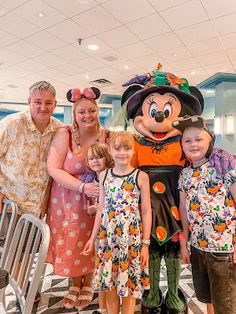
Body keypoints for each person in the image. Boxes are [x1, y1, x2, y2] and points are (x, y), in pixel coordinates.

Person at [46, 87, 109, 311]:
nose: (87, 115)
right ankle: (74, 283)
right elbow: (53, 168)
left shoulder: (106, 135)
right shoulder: (65, 134)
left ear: (97, 111)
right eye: (81, 111)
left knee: (92, 238)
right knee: (71, 240)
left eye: (91, 110)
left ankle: (88, 283)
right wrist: (83, 186)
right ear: (74, 113)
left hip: (96, 201)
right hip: (67, 198)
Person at [82, 131, 152, 314]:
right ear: (110, 151)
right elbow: (101, 210)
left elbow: (146, 211)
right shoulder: (104, 176)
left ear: (133, 150)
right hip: (108, 238)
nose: (122, 153)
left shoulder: (141, 177)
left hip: (130, 239)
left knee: (129, 284)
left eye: (127, 148)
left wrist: (145, 243)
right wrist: (92, 237)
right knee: (110, 282)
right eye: (117, 148)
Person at [174, 116, 236, 314]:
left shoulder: (224, 166)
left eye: (198, 139)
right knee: (206, 297)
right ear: (181, 145)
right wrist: (185, 242)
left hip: (223, 248)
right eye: (188, 140)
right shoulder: (185, 174)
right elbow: (183, 208)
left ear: (210, 140)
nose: (193, 144)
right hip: (198, 247)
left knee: (225, 304)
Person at [0, 80, 61, 218]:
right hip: (9, 208)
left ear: (55, 104)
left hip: (39, 212)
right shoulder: (12, 124)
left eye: (48, 103)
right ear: (29, 102)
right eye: (38, 102)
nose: (43, 107)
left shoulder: (58, 129)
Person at [85, 143, 114, 314]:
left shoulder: (111, 177)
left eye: (98, 157)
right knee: (100, 268)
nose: (95, 160)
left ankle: (110, 307)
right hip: (99, 231)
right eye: (91, 158)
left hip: (113, 230)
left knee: (109, 269)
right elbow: (93, 207)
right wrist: (91, 210)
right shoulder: (92, 181)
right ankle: (102, 308)